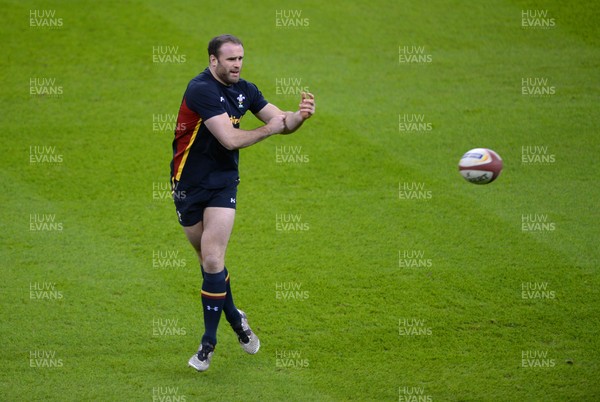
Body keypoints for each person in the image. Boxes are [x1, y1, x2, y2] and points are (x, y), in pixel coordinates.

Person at [170, 34, 315, 372]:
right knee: (211, 265)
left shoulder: (246, 89)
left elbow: (281, 121)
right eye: (231, 59)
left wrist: (299, 117)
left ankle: (208, 344)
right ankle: (235, 317)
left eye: (241, 59)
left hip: (222, 184)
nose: (237, 64)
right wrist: (270, 130)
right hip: (187, 186)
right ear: (213, 61)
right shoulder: (201, 89)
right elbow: (230, 138)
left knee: (211, 257)